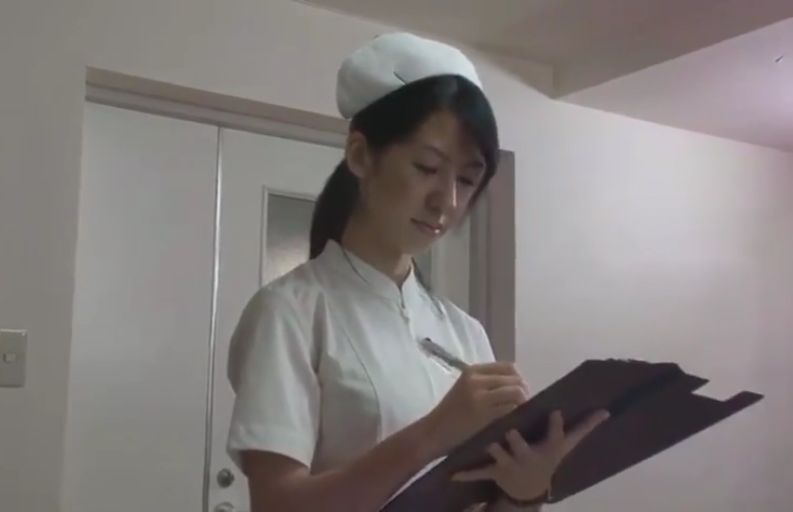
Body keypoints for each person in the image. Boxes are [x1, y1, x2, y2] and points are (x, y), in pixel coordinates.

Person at [224, 33, 608, 512]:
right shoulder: (289, 312)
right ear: (361, 155)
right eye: (427, 167)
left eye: (467, 179)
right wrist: (432, 433)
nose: (446, 201)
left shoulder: (466, 333)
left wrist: (523, 492)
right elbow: (276, 504)